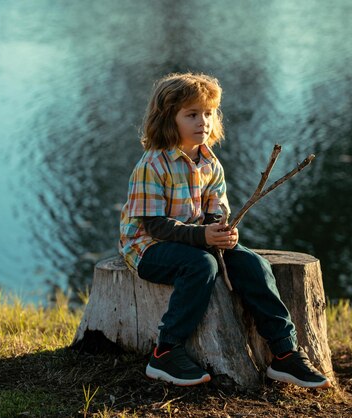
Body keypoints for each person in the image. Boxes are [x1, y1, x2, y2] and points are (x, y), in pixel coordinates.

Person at [119, 72, 331, 389]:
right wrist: (203, 237)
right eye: (192, 114)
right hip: (148, 247)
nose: (202, 121)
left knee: (253, 264)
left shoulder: (210, 163)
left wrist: (223, 230)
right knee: (201, 265)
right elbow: (155, 225)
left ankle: (284, 353)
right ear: (168, 118)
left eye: (208, 113)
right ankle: (165, 351)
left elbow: (215, 211)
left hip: (195, 240)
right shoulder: (154, 164)